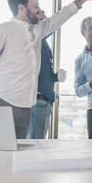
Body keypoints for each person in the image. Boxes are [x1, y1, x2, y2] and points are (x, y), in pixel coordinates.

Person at [0, 0, 92, 138]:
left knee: (17, 160)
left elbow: (60, 17)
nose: (38, 10)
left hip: (25, 108)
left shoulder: (37, 31)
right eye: (35, 6)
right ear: (22, 8)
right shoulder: (3, 30)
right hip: (1, 103)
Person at [27, 10, 66, 139]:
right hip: (38, 102)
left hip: (42, 101)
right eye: (39, 13)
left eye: (44, 13)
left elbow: (40, 71)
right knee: (35, 146)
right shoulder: (35, 37)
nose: (44, 16)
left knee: (34, 144)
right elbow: (52, 25)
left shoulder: (42, 42)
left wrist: (55, 77)